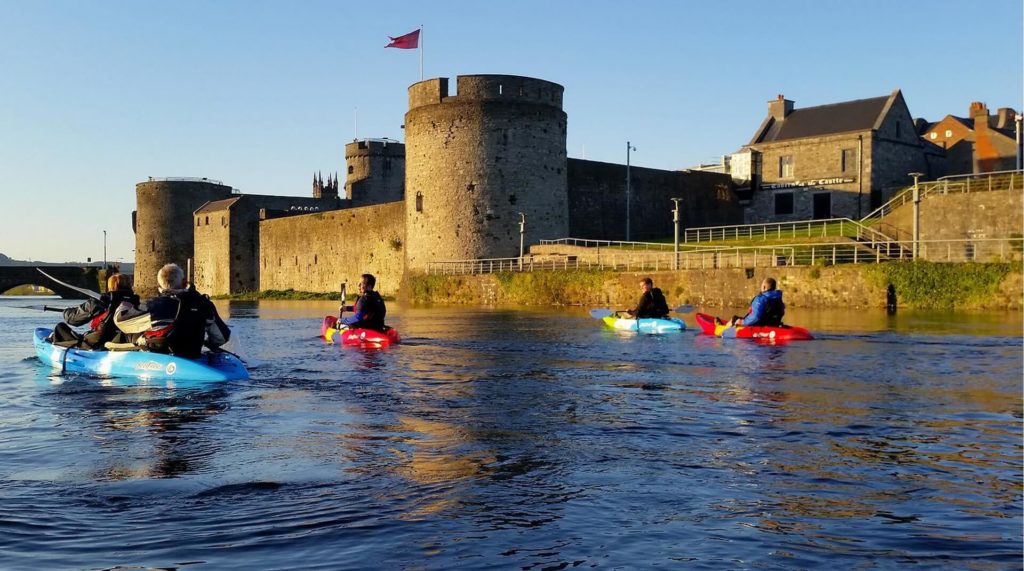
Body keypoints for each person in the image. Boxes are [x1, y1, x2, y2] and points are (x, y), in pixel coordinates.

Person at [114, 263, 230, 358]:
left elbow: (121, 322)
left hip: (160, 353)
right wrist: (208, 344)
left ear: (158, 285)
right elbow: (222, 337)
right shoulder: (204, 304)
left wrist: (123, 306)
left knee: (132, 334)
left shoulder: (152, 306)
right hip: (193, 354)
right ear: (184, 283)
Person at [50, 273, 140, 349]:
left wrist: (66, 311)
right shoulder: (135, 301)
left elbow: (72, 319)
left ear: (109, 287)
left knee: (60, 327)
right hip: (122, 339)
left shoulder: (99, 302)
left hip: (97, 342)